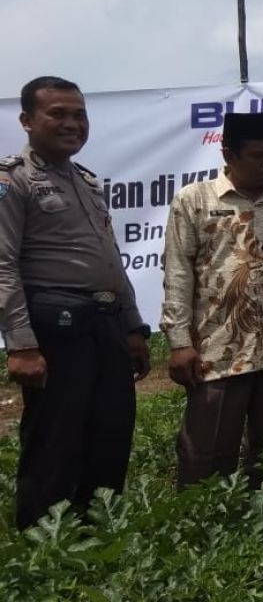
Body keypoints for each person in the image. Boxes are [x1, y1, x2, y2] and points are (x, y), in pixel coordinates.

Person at [0, 76, 152, 528]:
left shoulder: (87, 182)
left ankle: (99, 533)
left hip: (104, 324)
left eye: (79, 115)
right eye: (58, 114)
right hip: (55, 329)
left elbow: (110, 261)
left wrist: (133, 327)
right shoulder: (12, 181)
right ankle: (43, 545)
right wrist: (22, 345)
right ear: (27, 121)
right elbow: (3, 265)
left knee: (110, 431)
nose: (72, 124)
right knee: (55, 441)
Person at [161, 112, 263, 488]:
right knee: (206, 454)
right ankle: (202, 528)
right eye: (258, 156)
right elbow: (178, 274)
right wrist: (180, 342)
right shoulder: (194, 200)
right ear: (229, 155)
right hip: (217, 351)